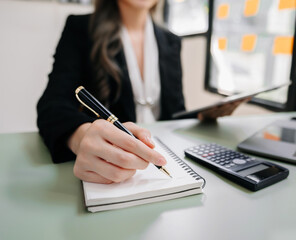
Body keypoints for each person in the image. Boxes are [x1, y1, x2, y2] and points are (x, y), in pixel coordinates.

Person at [37, 0, 245, 184]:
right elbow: (52, 107)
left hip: (167, 155)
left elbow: (173, 112)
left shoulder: (171, 41)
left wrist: (202, 115)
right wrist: (82, 136)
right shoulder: (80, 29)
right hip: (112, 165)